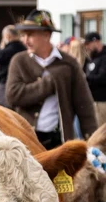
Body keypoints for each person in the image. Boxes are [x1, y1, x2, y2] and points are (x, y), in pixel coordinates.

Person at [7, 9, 97, 147]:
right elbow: (12, 96)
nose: (25, 40)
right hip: (26, 139)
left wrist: (92, 143)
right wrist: (49, 82)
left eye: (30, 34)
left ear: (46, 34)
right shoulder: (19, 61)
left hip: (59, 140)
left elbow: (84, 105)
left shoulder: (69, 63)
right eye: (24, 35)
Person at [84, 32, 106, 127]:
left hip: (102, 102)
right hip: (92, 101)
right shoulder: (92, 58)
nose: (87, 47)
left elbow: (103, 78)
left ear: (96, 42)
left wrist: (85, 78)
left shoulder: (104, 58)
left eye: (88, 44)